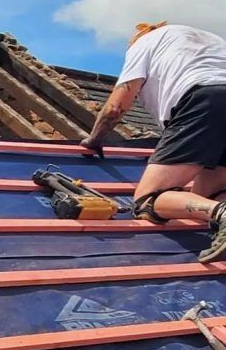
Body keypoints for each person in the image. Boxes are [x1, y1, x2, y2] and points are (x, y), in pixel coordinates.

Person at [81, 22, 226, 262]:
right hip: (212, 102)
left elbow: (116, 107)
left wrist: (94, 139)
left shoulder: (143, 44)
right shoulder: (209, 41)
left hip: (204, 102)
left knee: (147, 201)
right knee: (207, 196)